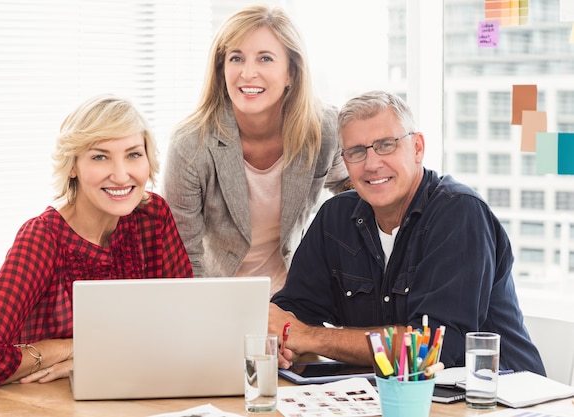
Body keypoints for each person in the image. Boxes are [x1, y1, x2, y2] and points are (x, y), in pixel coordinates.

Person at [270, 90, 546, 376]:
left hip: (496, 397)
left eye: (386, 145)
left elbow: (431, 349)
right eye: (356, 151)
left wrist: (308, 337)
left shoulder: (460, 213)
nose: (372, 163)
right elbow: (292, 312)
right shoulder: (335, 219)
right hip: (386, 396)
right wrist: (283, 341)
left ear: (417, 147)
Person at [0, 94, 193, 392]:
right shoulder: (43, 239)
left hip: (129, 392)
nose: (121, 175)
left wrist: (99, 354)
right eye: (100, 156)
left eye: (133, 154)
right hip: (42, 405)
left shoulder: (152, 216)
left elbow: (183, 327)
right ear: (73, 166)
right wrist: (69, 349)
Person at [163, 5, 351, 296]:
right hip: (218, 299)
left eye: (265, 59)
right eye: (236, 58)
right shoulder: (191, 144)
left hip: (296, 300)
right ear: (222, 69)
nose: (248, 73)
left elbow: (349, 185)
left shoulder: (323, 129)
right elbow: (184, 256)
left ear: (291, 73)